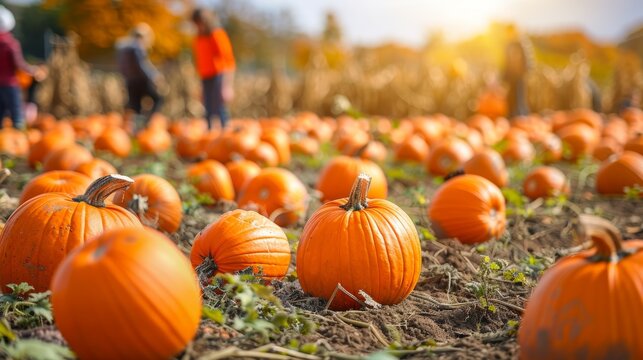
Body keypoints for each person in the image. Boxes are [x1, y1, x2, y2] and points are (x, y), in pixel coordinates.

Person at [0, 6, 45, 130]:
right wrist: (33, 70)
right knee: (16, 113)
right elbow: (19, 64)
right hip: (10, 83)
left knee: (1, 113)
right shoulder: (11, 44)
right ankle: (18, 135)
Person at [192, 8, 236, 129]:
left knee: (218, 106)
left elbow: (228, 60)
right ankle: (210, 133)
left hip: (218, 75)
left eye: (200, 23)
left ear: (206, 21)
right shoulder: (199, 38)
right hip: (205, 76)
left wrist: (227, 86)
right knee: (207, 107)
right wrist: (200, 87)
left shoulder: (217, 34)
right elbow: (200, 62)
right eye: (196, 24)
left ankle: (225, 131)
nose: (198, 26)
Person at [116, 23, 164, 131]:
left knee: (136, 106)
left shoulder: (125, 47)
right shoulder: (138, 46)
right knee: (158, 98)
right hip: (141, 81)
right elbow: (142, 65)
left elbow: (121, 66)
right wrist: (154, 76)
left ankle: (137, 130)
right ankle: (146, 122)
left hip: (130, 81)